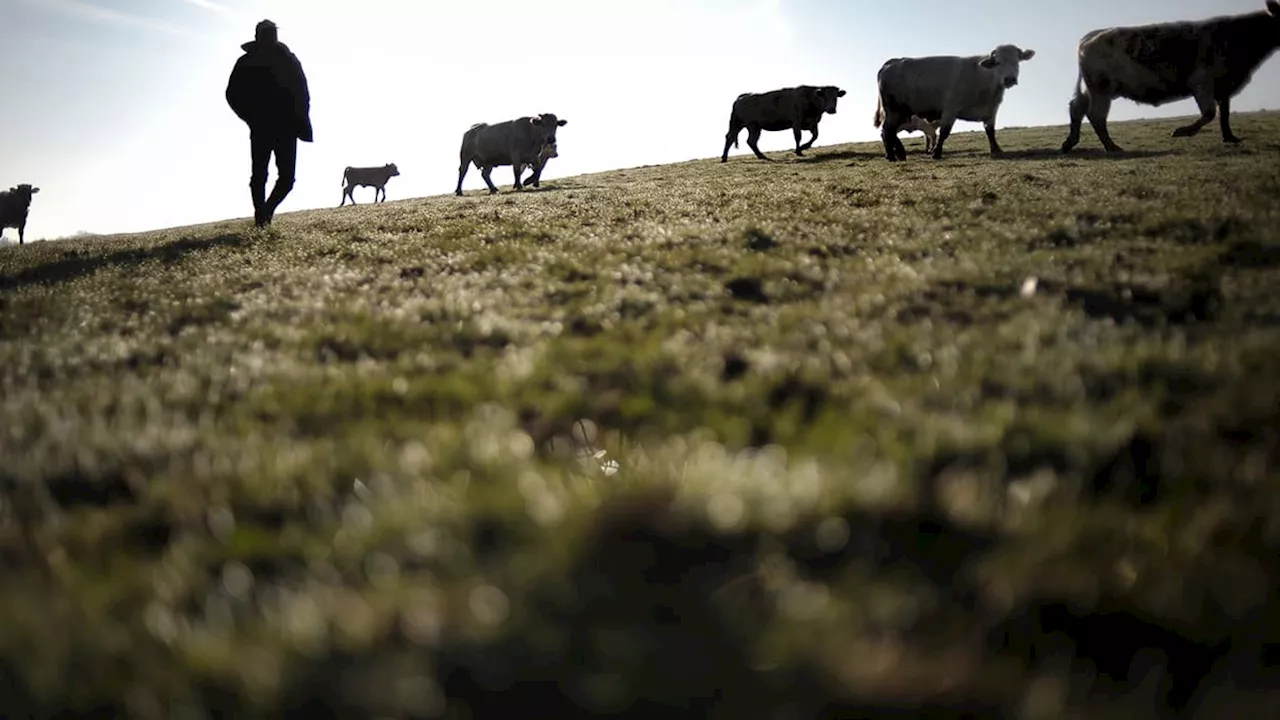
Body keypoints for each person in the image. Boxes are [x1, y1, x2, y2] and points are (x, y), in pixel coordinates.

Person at [225, 19, 313, 228]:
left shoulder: (289, 60)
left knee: (287, 179)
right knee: (259, 176)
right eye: (266, 33)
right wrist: (251, 118)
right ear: (258, 36)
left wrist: (301, 117)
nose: (270, 36)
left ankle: (266, 211)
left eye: (273, 32)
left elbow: (303, 91)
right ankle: (260, 218)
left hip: (287, 127)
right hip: (261, 127)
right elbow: (232, 95)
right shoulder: (245, 63)